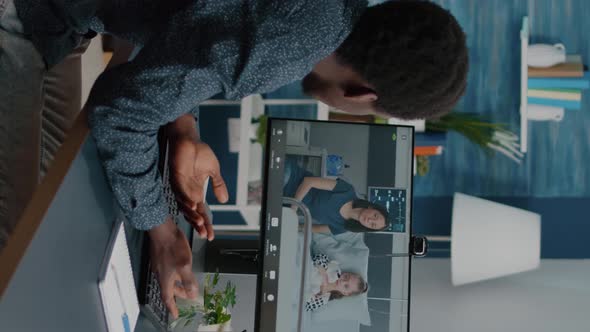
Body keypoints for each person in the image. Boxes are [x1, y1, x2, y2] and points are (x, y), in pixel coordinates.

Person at [0, 0, 468, 318]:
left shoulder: (327, 14)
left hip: (71, 25)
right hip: (27, 14)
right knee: (18, 239)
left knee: (56, 173)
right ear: (365, 94)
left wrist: (182, 121)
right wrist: (162, 233)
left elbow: (193, 21)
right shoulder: (279, 50)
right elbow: (120, 112)